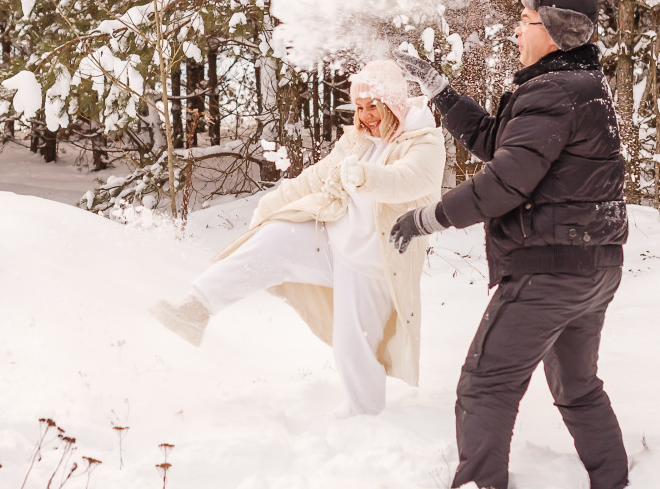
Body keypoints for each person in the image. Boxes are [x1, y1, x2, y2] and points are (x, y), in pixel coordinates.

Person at [391, 0, 631, 489]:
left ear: (551, 29)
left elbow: (504, 182)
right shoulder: (580, 89)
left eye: (524, 20)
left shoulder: (554, 94)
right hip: (592, 268)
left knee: (485, 386)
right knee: (576, 386)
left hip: (548, 271)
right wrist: (441, 91)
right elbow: (499, 142)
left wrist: (428, 218)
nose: (516, 31)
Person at [149, 60, 446, 415]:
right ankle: (195, 308)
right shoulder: (359, 142)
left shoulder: (425, 143)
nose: (366, 117)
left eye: (374, 108)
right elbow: (313, 178)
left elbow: (408, 180)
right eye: (361, 108)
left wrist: (365, 176)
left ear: (393, 105)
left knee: (354, 347)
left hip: (374, 265)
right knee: (276, 238)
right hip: (333, 240)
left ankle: (365, 419)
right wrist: (270, 206)